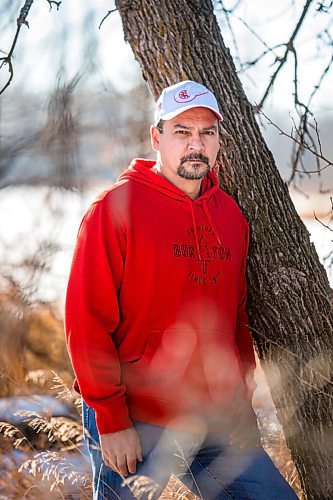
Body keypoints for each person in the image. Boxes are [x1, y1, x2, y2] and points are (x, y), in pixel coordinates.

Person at [65, 80, 298, 499]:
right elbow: (86, 322)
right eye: (182, 131)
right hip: (135, 415)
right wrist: (112, 420)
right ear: (157, 137)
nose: (196, 144)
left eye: (207, 133)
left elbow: (237, 319)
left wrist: (240, 404)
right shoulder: (114, 209)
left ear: (219, 141)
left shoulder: (230, 217)